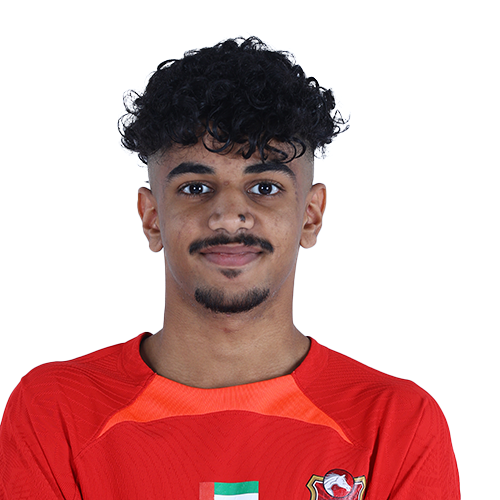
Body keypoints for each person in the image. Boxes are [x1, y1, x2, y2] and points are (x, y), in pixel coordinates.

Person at [0, 33, 460, 499]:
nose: (229, 216)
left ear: (311, 215)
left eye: (265, 188)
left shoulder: (396, 424)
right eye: (195, 188)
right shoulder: (58, 411)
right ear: (151, 218)